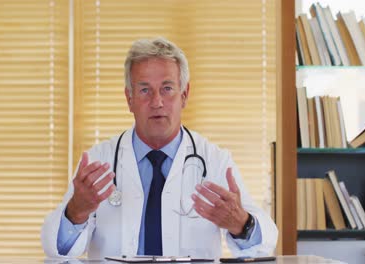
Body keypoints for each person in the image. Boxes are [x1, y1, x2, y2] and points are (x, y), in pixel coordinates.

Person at [41, 37, 278, 259]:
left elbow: (264, 244)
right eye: (144, 90)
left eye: (167, 88)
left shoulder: (216, 161)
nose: (157, 102)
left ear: (184, 95)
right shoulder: (97, 161)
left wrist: (240, 223)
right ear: (129, 99)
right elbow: (58, 250)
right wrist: (77, 212)